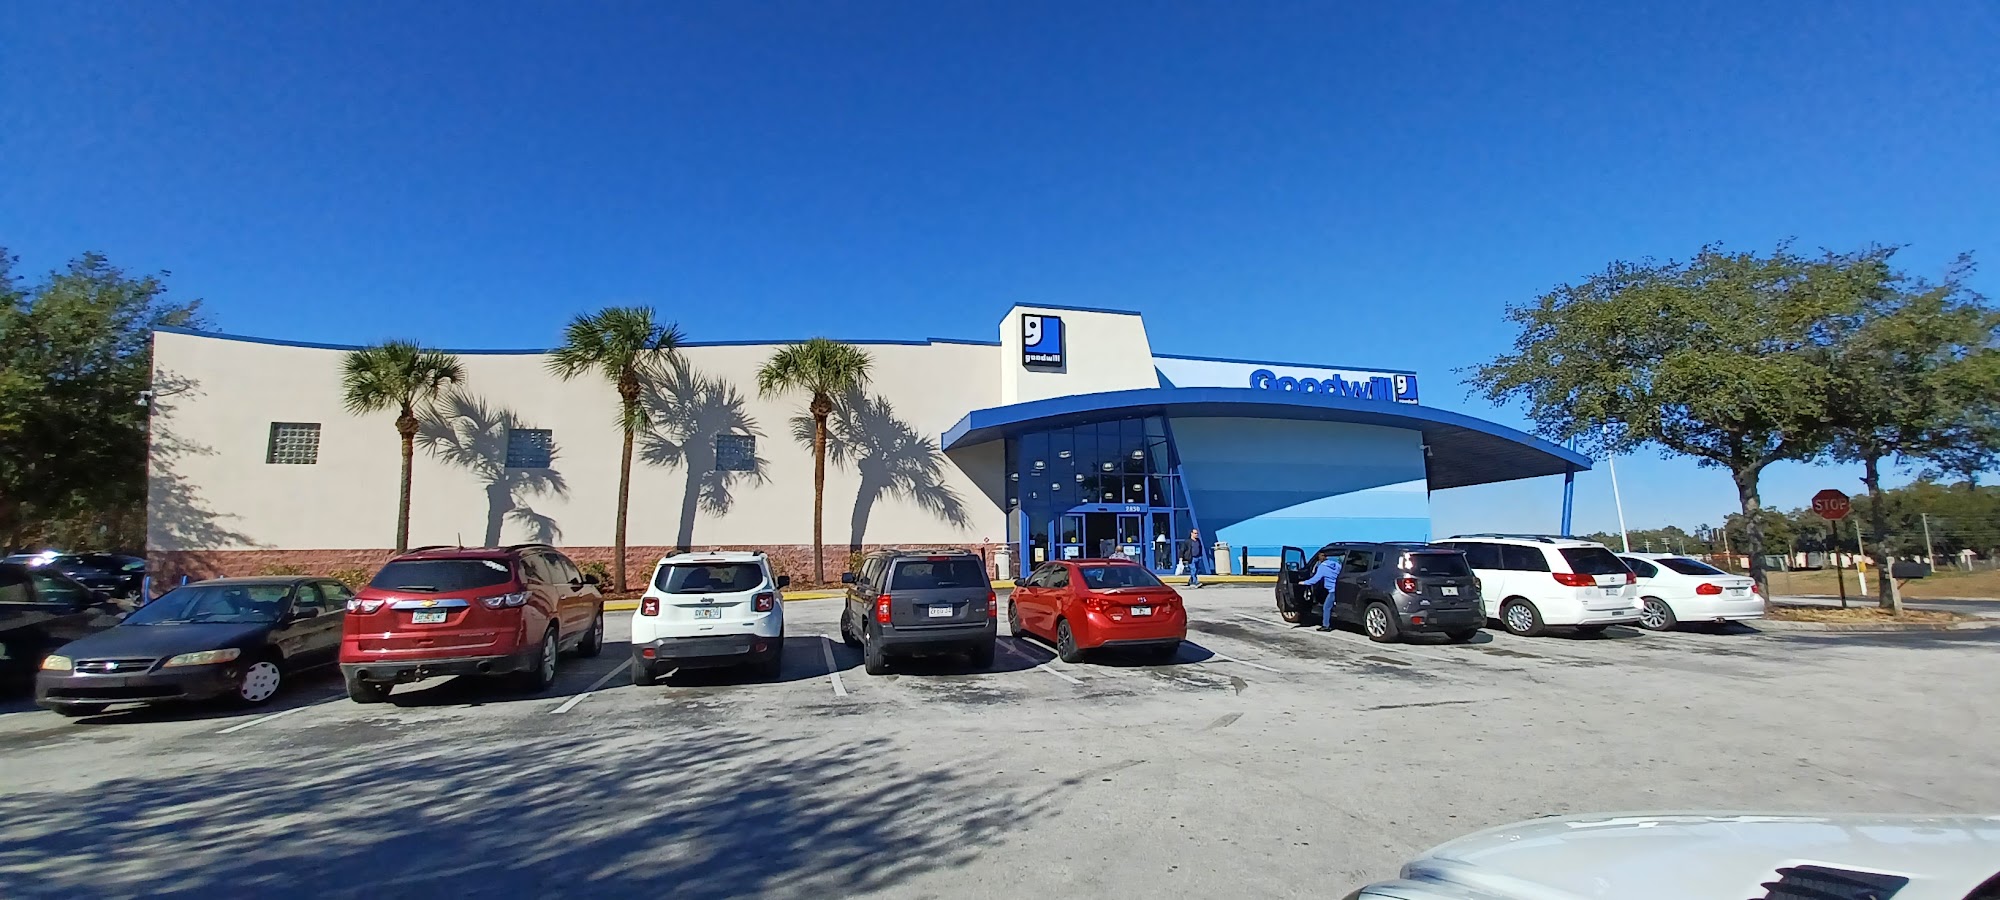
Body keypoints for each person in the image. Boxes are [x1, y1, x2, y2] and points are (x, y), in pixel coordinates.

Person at [1300, 554, 1344, 631]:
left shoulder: (1322, 567)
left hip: (1332, 590)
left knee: (1326, 607)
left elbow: (1315, 579)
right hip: (1339, 588)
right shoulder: (1336, 564)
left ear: (1320, 559)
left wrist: (1303, 582)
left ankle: (1326, 626)